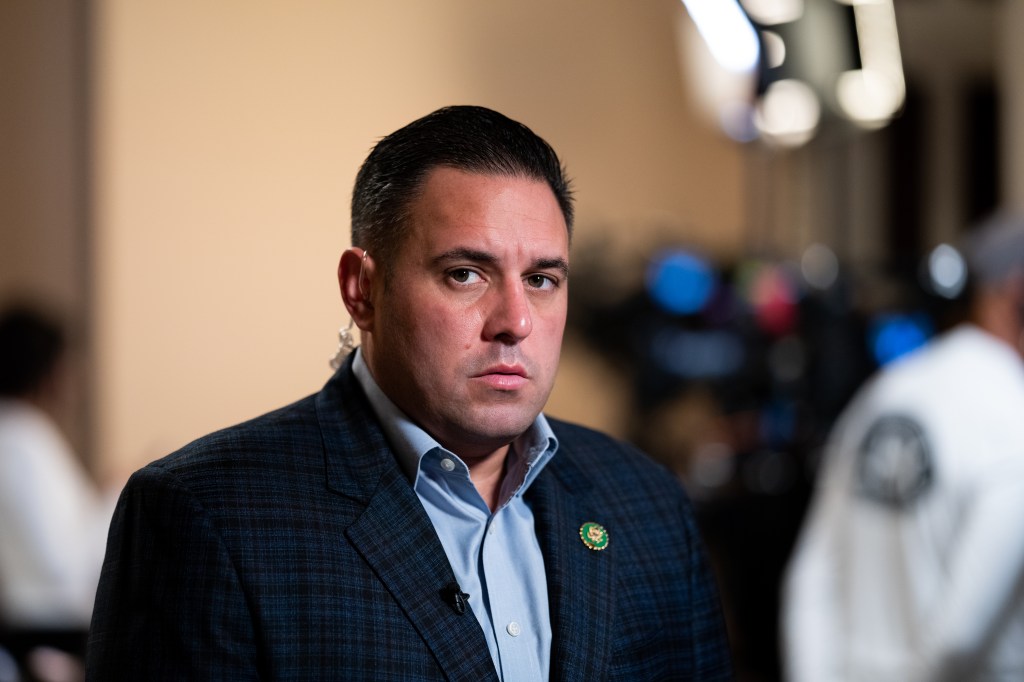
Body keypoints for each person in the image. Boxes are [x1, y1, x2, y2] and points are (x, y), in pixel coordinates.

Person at [85, 105, 733, 680]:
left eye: (541, 279)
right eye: (465, 273)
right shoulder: (208, 516)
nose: (516, 320)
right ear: (362, 290)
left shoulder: (646, 503)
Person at [782, 210, 1024, 681]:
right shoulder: (1014, 413)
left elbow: (811, 578)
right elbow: (960, 638)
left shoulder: (886, 390)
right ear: (1013, 292)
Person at [0, 305, 115, 678]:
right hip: (49, 632)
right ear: (48, 367)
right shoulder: (24, 440)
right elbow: (60, 566)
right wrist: (118, 496)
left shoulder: (17, 433)